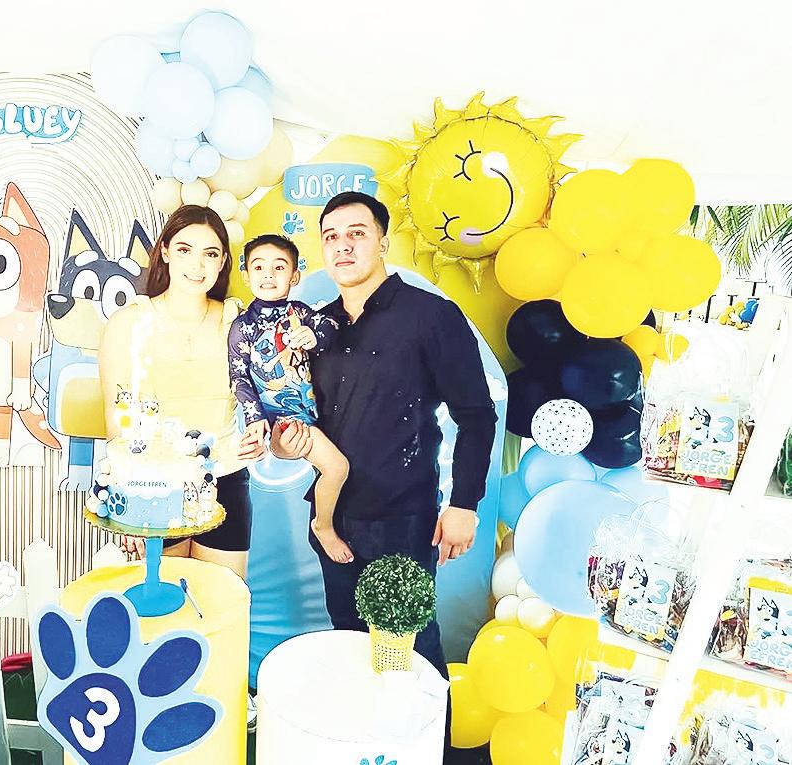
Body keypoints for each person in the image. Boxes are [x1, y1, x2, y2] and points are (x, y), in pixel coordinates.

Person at [270, 191, 497, 678]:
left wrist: (465, 505)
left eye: (357, 233)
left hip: (401, 520)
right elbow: (302, 418)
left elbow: (477, 415)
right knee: (351, 650)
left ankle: (431, 730)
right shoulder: (317, 327)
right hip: (331, 517)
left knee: (411, 656)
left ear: (383, 242)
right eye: (331, 237)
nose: (343, 246)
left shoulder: (431, 316)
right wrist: (284, 445)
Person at [98, 205, 265, 579]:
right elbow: (116, 420)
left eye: (211, 253)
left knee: (221, 601)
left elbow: (269, 396)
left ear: (223, 262)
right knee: (161, 606)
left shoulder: (238, 322)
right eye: (185, 249)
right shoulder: (129, 323)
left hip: (225, 479)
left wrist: (264, 434)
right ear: (166, 252)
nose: (197, 264)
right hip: (152, 483)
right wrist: (129, 500)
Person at [228, 234, 352, 563]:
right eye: (259, 267)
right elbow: (239, 378)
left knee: (342, 467)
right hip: (287, 420)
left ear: (295, 276)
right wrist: (256, 419)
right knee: (337, 468)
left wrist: (314, 335)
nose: (268, 275)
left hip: (321, 413)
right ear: (246, 276)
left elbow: (331, 327)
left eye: (279, 267)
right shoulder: (242, 328)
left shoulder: (300, 313)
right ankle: (323, 525)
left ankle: (332, 515)